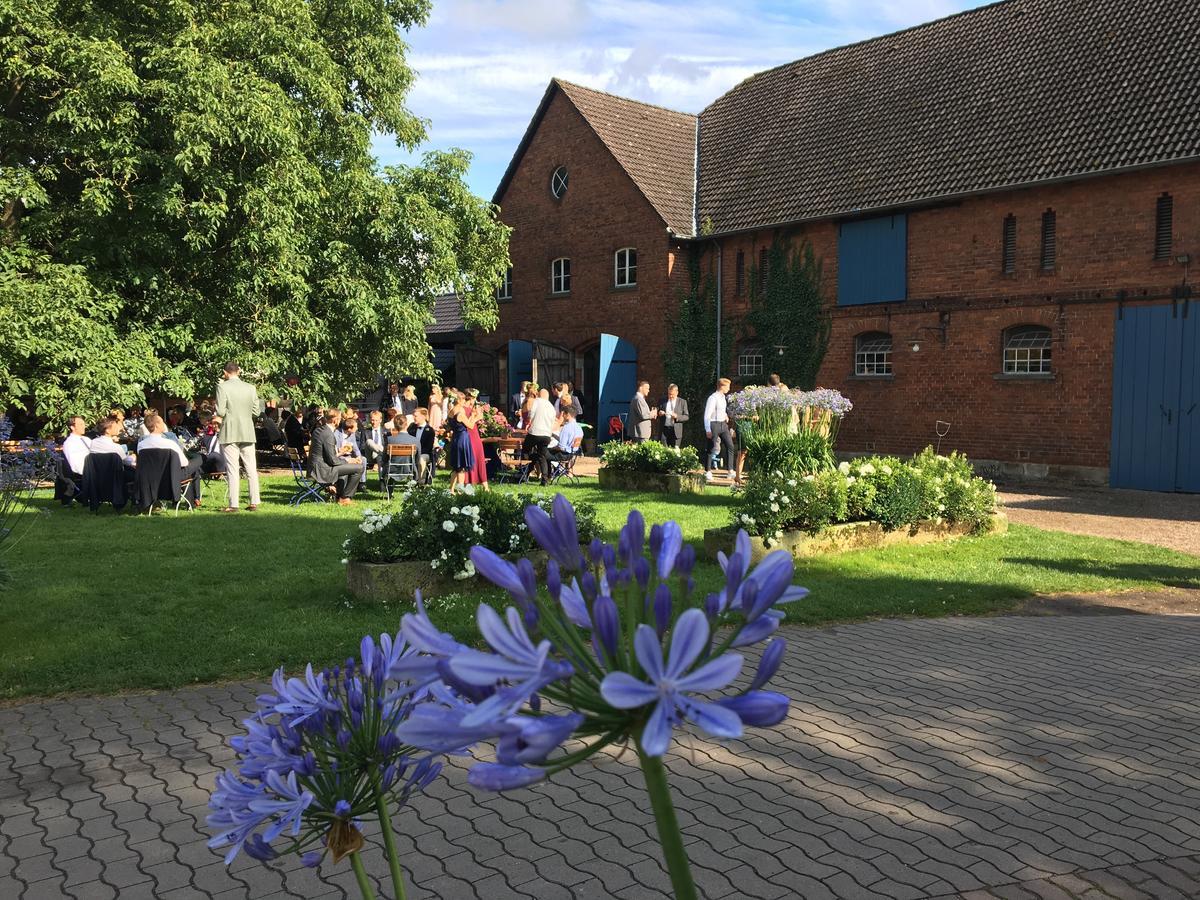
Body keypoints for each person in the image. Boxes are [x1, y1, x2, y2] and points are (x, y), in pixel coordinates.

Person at [215, 361, 265, 511]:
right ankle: (254, 501)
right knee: (251, 467)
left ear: (225, 372)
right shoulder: (250, 388)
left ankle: (234, 504)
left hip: (229, 430)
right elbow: (256, 412)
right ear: (239, 371)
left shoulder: (222, 387)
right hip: (247, 431)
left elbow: (221, 411)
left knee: (232, 468)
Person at [138, 412, 204, 504]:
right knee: (199, 459)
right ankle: (194, 499)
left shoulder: (141, 445)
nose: (164, 424)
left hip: (151, 478)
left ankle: (195, 499)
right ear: (157, 425)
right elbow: (183, 463)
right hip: (171, 476)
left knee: (194, 470)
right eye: (161, 422)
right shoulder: (170, 444)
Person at [308, 408, 361, 504]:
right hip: (323, 471)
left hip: (314, 468)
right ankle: (345, 498)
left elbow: (326, 454)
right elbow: (333, 461)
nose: (340, 421)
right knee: (359, 468)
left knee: (345, 470)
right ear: (335, 420)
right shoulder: (328, 434)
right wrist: (348, 461)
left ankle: (338, 495)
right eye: (340, 418)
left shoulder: (318, 430)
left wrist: (340, 453)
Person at [704, 377, 736, 482]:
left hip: (723, 424)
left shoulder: (723, 397)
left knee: (730, 446)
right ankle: (707, 471)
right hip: (713, 424)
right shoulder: (712, 398)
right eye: (727, 386)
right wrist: (707, 429)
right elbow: (707, 415)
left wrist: (725, 415)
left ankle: (730, 470)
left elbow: (722, 410)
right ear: (722, 386)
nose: (729, 389)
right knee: (711, 447)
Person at [523, 388, 557, 485]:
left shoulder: (536, 402)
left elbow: (531, 414)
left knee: (525, 450)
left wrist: (529, 422)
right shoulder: (551, 406)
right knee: (542, 456)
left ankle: (523, 473)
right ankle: (545, 479)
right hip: (546, 435)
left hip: (535, 432)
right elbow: (552, 421)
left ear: (539, 395)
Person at [446, 396, 475, 493]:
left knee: (456, 466)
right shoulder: (460, 413)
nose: (465, 402)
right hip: (462, 439)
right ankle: (460, 490)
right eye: (464, 400)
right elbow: (470, 426)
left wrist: (471, 416)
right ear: (459, 400)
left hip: (456, 438)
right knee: (461, 466)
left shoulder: (451, 410)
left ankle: (451, 490)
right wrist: (476, 417)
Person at [462, 388, 489, 491]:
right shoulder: (463, 409)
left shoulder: (473, 408)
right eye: (474, 398)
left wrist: (478, 414)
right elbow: (469, 425)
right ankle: (469, 483)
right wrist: (477, 417)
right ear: (471, 398)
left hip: (475, 435)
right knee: (471, 458)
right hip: (468, 435)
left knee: (479, 458)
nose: (475, 400)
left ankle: (484, 485)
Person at [407, 408, 436, 482]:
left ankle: (421, 481)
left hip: (425, 453)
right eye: (413, 416)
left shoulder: (430, 430)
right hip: (412, 452)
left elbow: (428, 447)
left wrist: (417, 453)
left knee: (421, 459)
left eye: (416, 416)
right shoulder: (411, 427)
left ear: (423, 416)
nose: (414, 418)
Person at [659, 384, 689, 449]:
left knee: (675, 453)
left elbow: (686, 416)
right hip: (665, 430)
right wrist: (660, 413)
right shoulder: (663, 400)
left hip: (676, 431)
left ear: (677, 393)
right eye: (669, 394)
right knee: (664, 451)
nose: (670, 396)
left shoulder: (682, 402)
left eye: (672, 394)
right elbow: (658, 410)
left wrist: (677, 416)